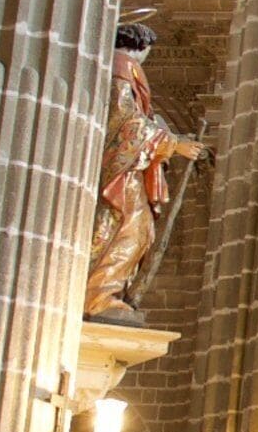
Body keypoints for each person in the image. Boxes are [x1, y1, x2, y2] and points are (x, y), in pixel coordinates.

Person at [82, 19, 208, 323]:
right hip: (121, 170)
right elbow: (126, 122)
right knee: (131, 227)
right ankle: (98, 297)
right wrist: (174, 145)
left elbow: (139, 119)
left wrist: (176, 142)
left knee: (138, 230)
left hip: (129, 168)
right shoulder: (121, 69)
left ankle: (103, 294)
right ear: (140, 47)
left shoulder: (124, 71)